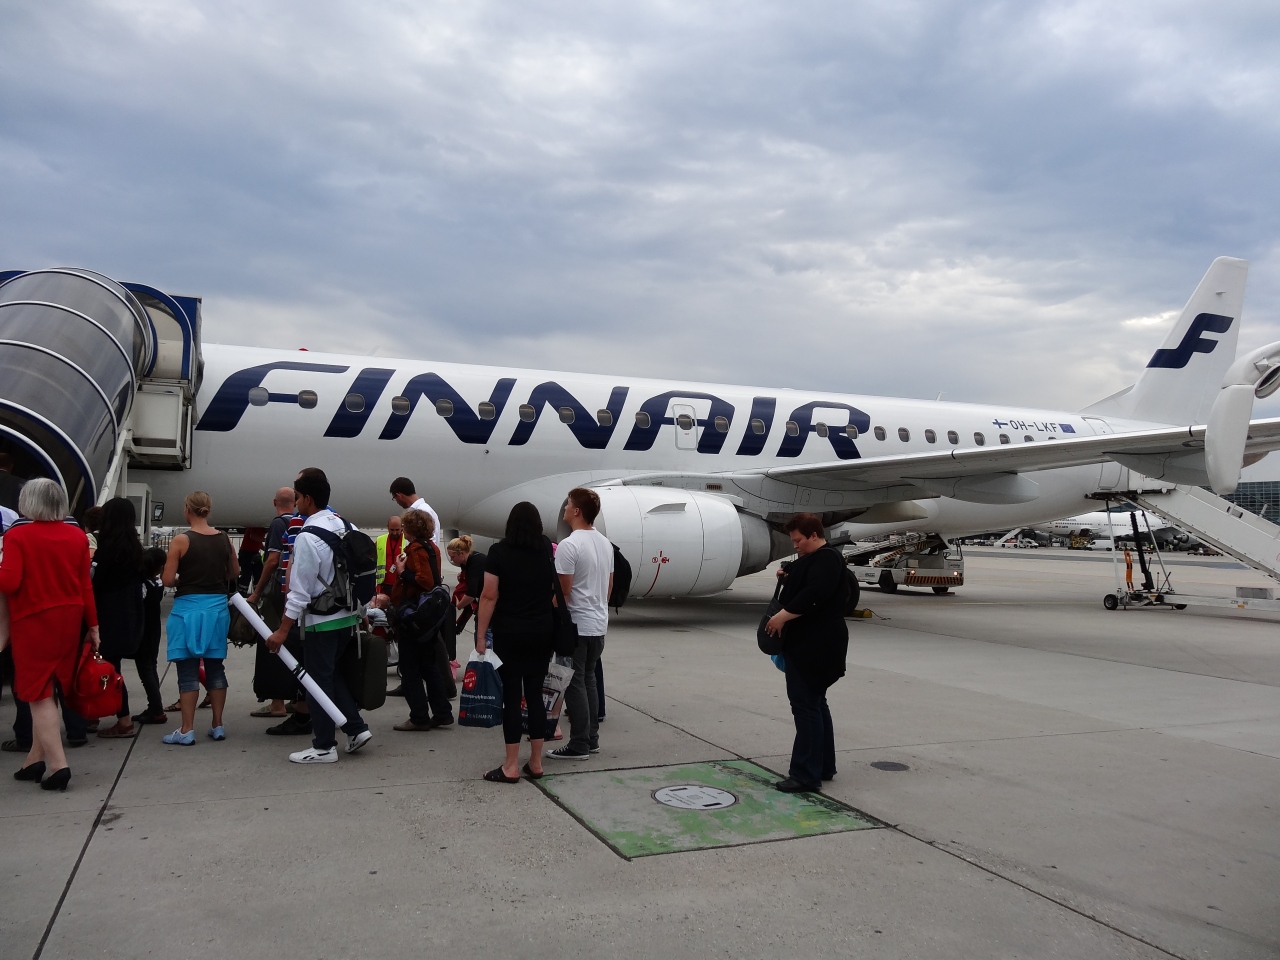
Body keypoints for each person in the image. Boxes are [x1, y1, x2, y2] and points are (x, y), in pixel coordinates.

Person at [264, 468, 372, 764]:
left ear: (308, 498)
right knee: (330, 675)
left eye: (298, 497)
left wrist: (282, 630)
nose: (296, 502)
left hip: (320, 622)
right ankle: (355, 728)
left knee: (315, 684)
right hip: (347, 617)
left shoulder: (307, 537)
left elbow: (299, 591)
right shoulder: (344, 524)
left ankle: (324, 746)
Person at [0, 478, 99, 791]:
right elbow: (85, 585)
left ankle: (58, 766)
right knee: (51, 686)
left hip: (33, 619)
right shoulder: (76, 535)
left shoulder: (18, 535)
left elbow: (9, 583)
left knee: (37, 692)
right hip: (69, 618)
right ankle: (34, 759)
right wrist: (94, 625)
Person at [764, 513, 849, 793]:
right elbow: (808, 582)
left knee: (805, 707)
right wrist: (788, 576)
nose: (796, 545)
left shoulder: (827, 559)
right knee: (815, 703)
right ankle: (822, 765)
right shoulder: (818, 559)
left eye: (798, 540)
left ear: (814, 535)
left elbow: (814, 594)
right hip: (816, 644)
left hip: (814, 646)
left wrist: (782, 616)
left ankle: (805, 775)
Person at [475, 501, 554, 783]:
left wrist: (480, 635)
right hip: (542, 631)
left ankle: (510, 766)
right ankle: (536, 762)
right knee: (535, 696)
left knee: (511, 697)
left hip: (510, 631)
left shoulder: (499, 552)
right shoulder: (545, 548)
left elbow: (489, 595)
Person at [161, 492, 238, 745]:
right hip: (217, 609)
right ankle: (217, 724)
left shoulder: (181, 540)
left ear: (187, 509)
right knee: (216, 667)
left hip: (187, 610)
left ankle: (187, 729)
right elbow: (234, 571)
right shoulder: (224, 539)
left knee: (187, 671)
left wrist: (185, 579)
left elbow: (168, 579)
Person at [549, 488, 614, 761]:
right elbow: (608, 587)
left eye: (568, 504)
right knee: (588, 680)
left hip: (576, 624)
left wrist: (552, 619)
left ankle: (579, 744)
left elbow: (563, 593)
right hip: (598, 623)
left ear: (577, 511)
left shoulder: (569, 545)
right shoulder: (605, 543)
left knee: (574, 684)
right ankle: (591, 739)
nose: (564, 508)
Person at [246, 488, 308, 724]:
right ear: (295, 502)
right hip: (298, 594)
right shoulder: (302, 522)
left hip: (279, 593)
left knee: (273, 641)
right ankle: (297, 697)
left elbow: (272, 560)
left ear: (274, 502)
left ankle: (277, 703)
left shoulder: (278, 524)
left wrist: (256, 592)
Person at [390, 509, 454, 732]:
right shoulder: (432, 548)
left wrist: (402, 572)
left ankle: (419, 717)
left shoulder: (416, 549)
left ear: (410, 529)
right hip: (428, 617)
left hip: (415, 616)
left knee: (410, 669)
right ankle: (442, 712)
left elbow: (424, 581)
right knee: (428, 665)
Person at [92, 497, 145, 739]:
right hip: (130, 614)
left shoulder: (107, 549)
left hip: (109, 615)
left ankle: (122, 720)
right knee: (115, 668)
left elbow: (97, 583)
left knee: (107, 668)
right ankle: (116, 717)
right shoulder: (135, 549)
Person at [130, 547, 168, 724]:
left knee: (145, 670)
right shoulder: (157, 584)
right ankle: (154, 706)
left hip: (143, 630)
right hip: (154, 630)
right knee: (151, 667)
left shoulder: (142, 585)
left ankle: (156, 708)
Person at [448, 535, 486, 655]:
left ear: (462, 554)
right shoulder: (467, 560)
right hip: (484, 596)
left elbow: (471, 594)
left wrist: (458, 606)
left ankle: (482, 657)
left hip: (493, 599)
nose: (451, 560)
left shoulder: (475, 563)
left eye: (453, 557)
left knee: (481, 630)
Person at [389, 477, 442, 549]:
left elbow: (430, 542)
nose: (397, 502)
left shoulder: (421, 511)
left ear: (399, 496)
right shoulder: (423, 509)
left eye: (395, 498)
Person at [376, 515, 403, 595]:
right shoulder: (380, 540)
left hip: (401, 584)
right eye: (392, 530)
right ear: (387, 527)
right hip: (383, 585)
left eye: (397, 530)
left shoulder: (407, 540)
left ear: (402, 527)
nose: (394, 533)